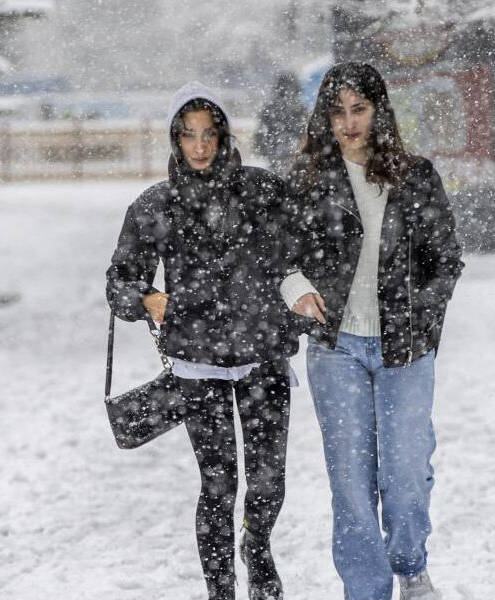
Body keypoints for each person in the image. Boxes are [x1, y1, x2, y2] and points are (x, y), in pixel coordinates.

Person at [106, 82, 298, 600]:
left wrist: (299, 312)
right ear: (174, 139)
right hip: (197, 365)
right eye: (188, 135)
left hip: (263, 360)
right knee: (218, 487)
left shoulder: (264, 192)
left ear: (226, 137)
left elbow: (301, 258)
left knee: (268, 483)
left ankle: (257, 550)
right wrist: (147, 299)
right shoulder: (156, 204)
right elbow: (119, 281)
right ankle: (220, 591)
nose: (200, 146)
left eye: (209, 134)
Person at [278, 62, 463, 600]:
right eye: (338, 111)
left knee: (406, 475)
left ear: (379, 110)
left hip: (406, 346)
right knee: (352, 483)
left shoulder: (415, 175)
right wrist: (295, 290)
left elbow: (446, 260)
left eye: (359, 109)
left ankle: (411, 565)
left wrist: (422, 320)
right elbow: (279, 257)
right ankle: (366, 590)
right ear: (324, 117)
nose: (349, 122)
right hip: (335, 348)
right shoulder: (307, 182)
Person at [253, 71, 309, 178]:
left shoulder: (269, 110)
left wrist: (271, 150)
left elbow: (259, 140)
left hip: (276, 160)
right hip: (295, 162)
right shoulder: (302, 110)